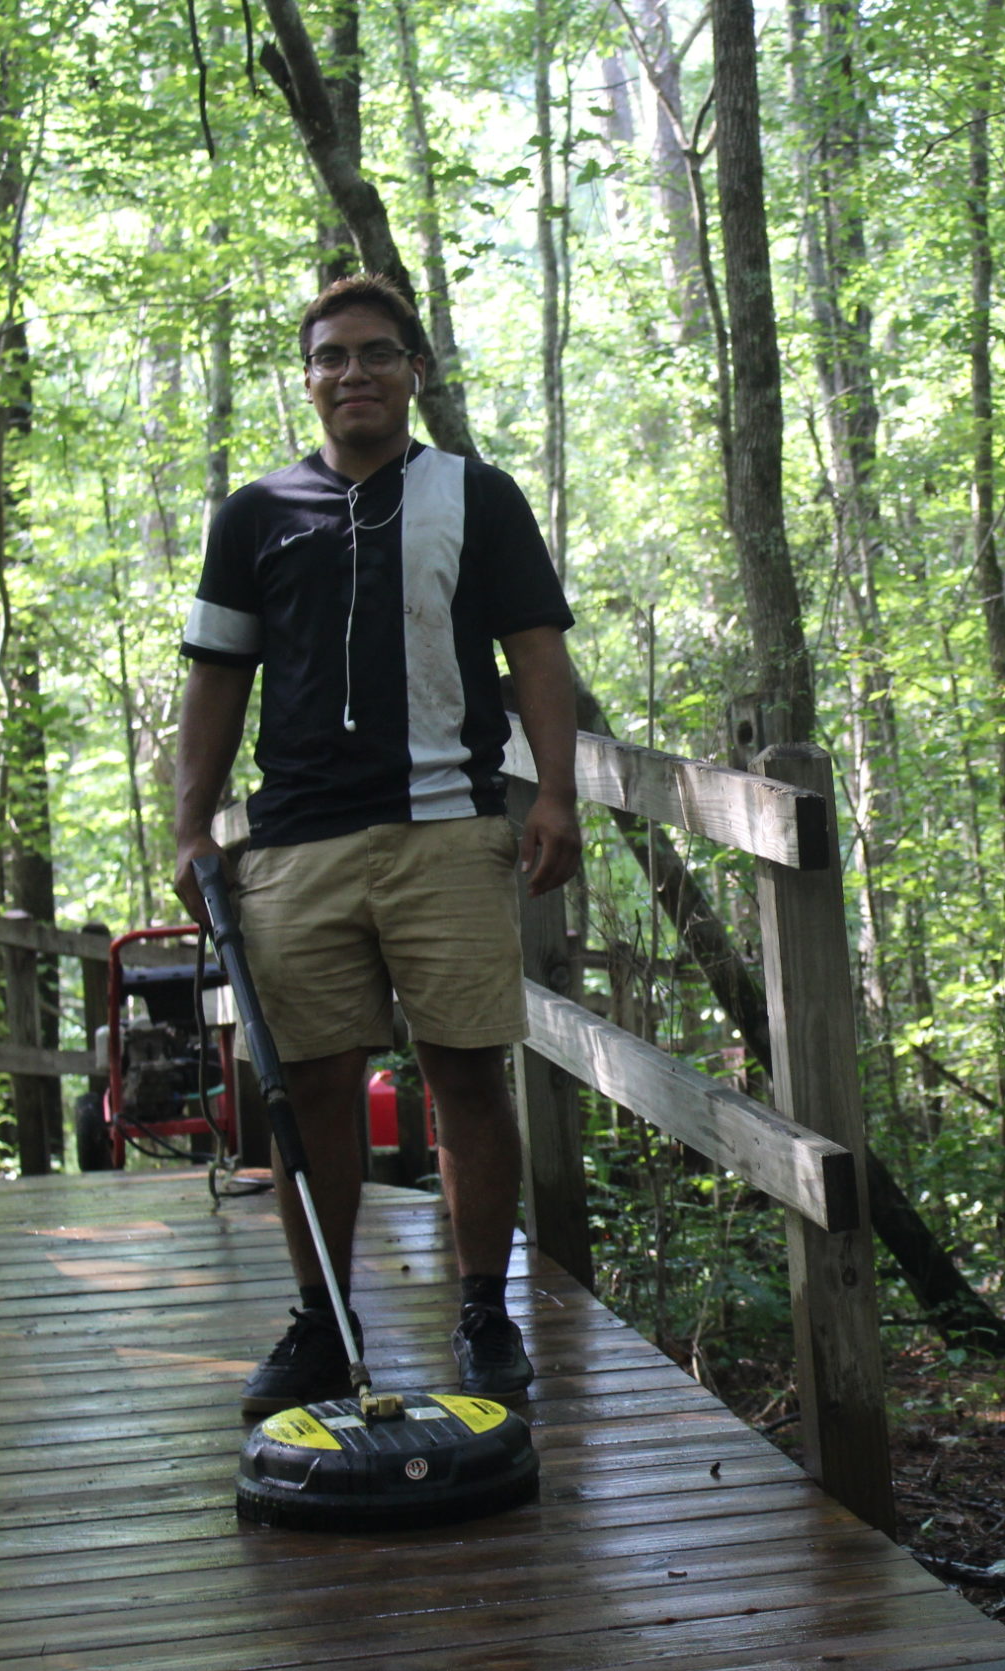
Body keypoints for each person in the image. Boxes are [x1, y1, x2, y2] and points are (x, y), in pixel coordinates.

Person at [170, 273, 581, 1416]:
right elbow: (216, 679)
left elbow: (535, 654)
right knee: (308, 1087)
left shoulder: (477, 497)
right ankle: (322, 1321)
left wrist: (554, 795)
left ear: (414, 372)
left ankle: (482, 1314)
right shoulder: (255, 514)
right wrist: (190, 824)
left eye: (375, 354)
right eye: (331, 357)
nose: (353, 373)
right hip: (296, 844)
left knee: (463, 1074)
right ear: (308, 379)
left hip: (449, 828)